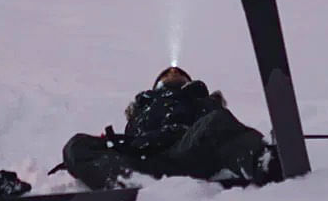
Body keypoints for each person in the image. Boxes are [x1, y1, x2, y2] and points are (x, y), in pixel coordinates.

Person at [57, 65, 277, 191]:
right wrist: (112, 145)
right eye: (166, 74)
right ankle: (124, 180)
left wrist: (207, 105)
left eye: (178, 74)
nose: (172, 74)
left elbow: (223, 131)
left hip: (186, 152)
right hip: (144, 163)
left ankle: (264, 161)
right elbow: (130, 139)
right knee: (77, 144)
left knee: (217, 122)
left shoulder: (200, 99)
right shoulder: (141, 109)